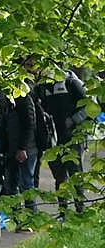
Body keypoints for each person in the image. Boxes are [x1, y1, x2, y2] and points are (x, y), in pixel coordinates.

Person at [39, 69, 87, 214]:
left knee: (75, 174)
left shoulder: (73, 83)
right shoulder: (44, 87)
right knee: (59, 177)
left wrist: (73, 120)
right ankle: (63, 211)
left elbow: (91, 107)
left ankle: (81, 210)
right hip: (54, 139)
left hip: (74, 137)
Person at [0, 89, 38, 216]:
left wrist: (23, 148)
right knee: (11, 184)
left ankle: (30, 217)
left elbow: (29, 124)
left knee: (26, 184)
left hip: (26, 149)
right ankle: (15, 216)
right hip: (12, 149)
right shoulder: (7, 100)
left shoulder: (24, 99)